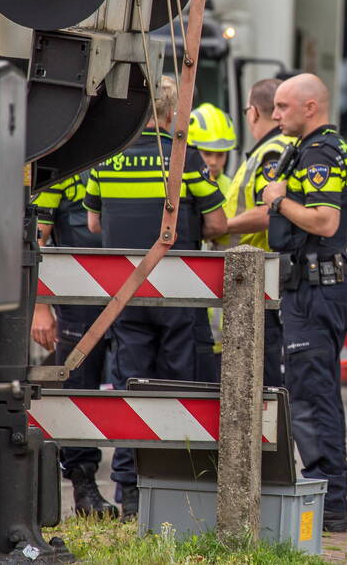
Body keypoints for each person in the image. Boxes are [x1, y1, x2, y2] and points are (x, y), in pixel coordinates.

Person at [83, 75, 227, 520]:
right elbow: (219, 223)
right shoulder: (184, 161)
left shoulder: (105, 157)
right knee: (180, 389)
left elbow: (92, 225)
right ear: (171, 115)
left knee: (131, 387)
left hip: (126, 294)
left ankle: (129, 493)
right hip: (179, 294)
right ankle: (178, 491)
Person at [262, 73, 347, 533]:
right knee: (321, 397)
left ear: (310, 108)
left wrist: (280, 202)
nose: (275, 114)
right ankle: (331, 500)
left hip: (315, 291)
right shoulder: (336, 149)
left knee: (310, 399)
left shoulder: (319, 152)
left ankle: (327, 505)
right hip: (325, 287)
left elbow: (325, 220)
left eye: (283, 107)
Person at [30, 172, 119, 519]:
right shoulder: (66, 172)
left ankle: (135, 489)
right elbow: (34, 240)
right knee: (78, 393)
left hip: (131, 298)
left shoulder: (125, 162)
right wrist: (40, 307)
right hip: (79, 302)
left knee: (135, 387)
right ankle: (84, 489)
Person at [221, 78, 297, 387]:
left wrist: (221, 227)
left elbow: (271, 211)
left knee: (261, 377)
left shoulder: (271, 154)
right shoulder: (275, 149)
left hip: (257, 276)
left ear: (253, 112)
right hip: (257, 276)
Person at [187, 101, 238, 377]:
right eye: (207, 153)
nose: (215, 162)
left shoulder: (233, 188)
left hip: (227, 333)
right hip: (190, 324)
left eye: (222, 154)